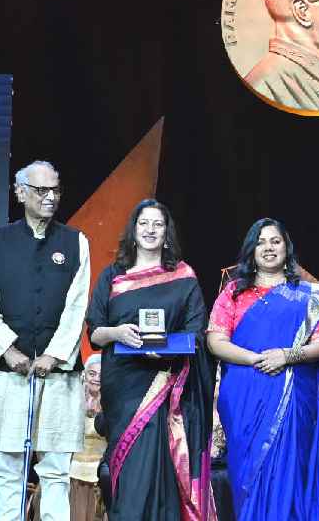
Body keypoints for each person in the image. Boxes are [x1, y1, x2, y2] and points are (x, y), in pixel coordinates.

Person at [0, 160, 91, 521]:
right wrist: (8, 350)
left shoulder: (75, 242)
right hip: (7, 372)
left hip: (57, 376)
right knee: (7, 467)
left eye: (55, 190)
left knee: (55, 469)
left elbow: (77, 305)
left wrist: (53, 356)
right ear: (21, 192)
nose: (50, 197)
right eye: (42, 190)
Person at [85, 199, 215, 520]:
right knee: (128, 473)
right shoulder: (113, 276)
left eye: (158, 224)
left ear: (167, 233)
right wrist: (118, 333)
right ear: (133, 230)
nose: (150, 230)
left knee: (165, 473)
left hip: (169, 389)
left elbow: (197, 332)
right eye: (144, 223)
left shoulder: (183, 277)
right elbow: (95, 333)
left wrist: (167, 348)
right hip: (125, 388)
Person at [207, 218, 319, 521]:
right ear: (251, 250)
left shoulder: (308, 296)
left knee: (289, 472)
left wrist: (286, 356)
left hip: (292, 396)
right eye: (261, 242)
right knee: (246, 476)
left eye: (275, 241)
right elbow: (215, 341)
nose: (268, 248)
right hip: (244, 395)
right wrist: (256, 359)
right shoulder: (233, 294)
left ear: (286, 248)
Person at [70, 354, 108, 521]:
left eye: (101, 375)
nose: (96, 379)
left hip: (99, 472)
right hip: (72, 471)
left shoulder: (111, 402)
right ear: (85, 374)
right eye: (92, 374)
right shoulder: (73, 400)